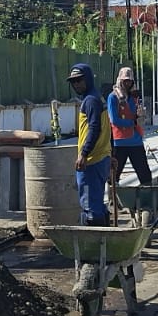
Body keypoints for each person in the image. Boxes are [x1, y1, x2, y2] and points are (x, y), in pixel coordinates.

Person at [67, 63, 111, 225]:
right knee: (97, 201)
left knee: (89, 206)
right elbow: (107, 127)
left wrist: (84, 153)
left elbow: (95, 128)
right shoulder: (97, 97)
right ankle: (106, 237)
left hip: (91, 161)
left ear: (88, 79)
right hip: (102, 157)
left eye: (79, 80)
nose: (76, 84)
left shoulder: (90, 100)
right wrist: (111, 153)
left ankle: (93, 238)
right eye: (73, 82)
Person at [107, 66, 153, 187]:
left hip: (135, 141)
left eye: (129, 81)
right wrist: (132, 123)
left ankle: (147, 196)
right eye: (125, 81)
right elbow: (114, 120)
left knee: (145, 175)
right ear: (120, 80)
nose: (127, 83)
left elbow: (138, 116)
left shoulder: (134, 97)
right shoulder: (113, 97)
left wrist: (140, 116)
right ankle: (114, 197)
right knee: (113, 176)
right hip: (119, 143)